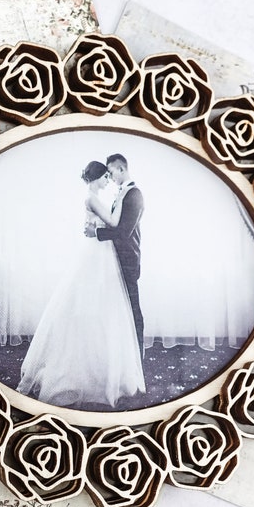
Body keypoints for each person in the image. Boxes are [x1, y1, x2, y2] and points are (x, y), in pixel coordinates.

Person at [16, 161, 145, 409]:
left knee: (102, 307)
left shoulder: (96, 196)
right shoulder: (94, 197)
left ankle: (101, 364)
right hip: (99, 254)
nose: (108, 181)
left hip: (103, 251)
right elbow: (117, 223)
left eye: (110, 176)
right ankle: (87, 368)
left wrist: (119, 200)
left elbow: (108, 225)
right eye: (105, 177)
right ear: (96, 178)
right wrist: (121, 198)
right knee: (95, 306)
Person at [85, 153, 145, 360]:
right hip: (115, 258)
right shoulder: (123, 193)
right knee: (118, 308)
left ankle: (138, 356)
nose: (109, 177)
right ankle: (122, 355)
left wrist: (97, 233)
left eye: (111, 172)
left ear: (121, 169)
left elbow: (124, 231)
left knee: (133, 308)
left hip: (128, 259)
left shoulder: (134, 194)